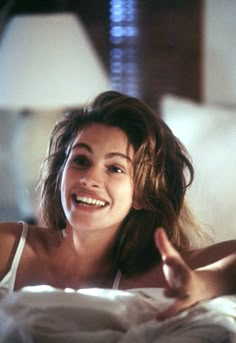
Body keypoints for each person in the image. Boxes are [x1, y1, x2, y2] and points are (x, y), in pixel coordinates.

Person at [0, 91, 235, 320]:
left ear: (141, 194)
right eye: (81, 160)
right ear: (61, 174)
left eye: (115, 168)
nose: (89, 179)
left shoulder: (155, 274)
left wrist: (205, 283)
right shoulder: (10, 249)